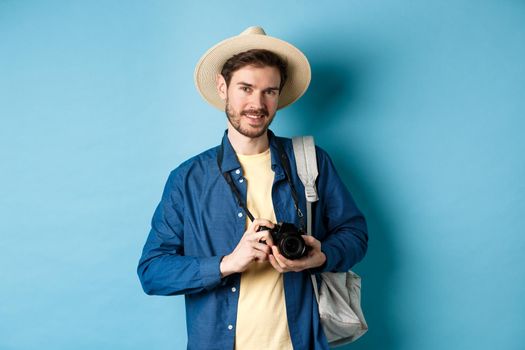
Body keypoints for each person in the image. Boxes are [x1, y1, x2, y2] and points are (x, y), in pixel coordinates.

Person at [137, 26, 368, 350]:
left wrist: (320, 256)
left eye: (269, 91)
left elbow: (355, 235)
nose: (257, 103)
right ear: (223, 87)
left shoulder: (310, 161)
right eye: (246, 88)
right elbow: (152, 272)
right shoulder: (188, 179)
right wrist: (227, 263)